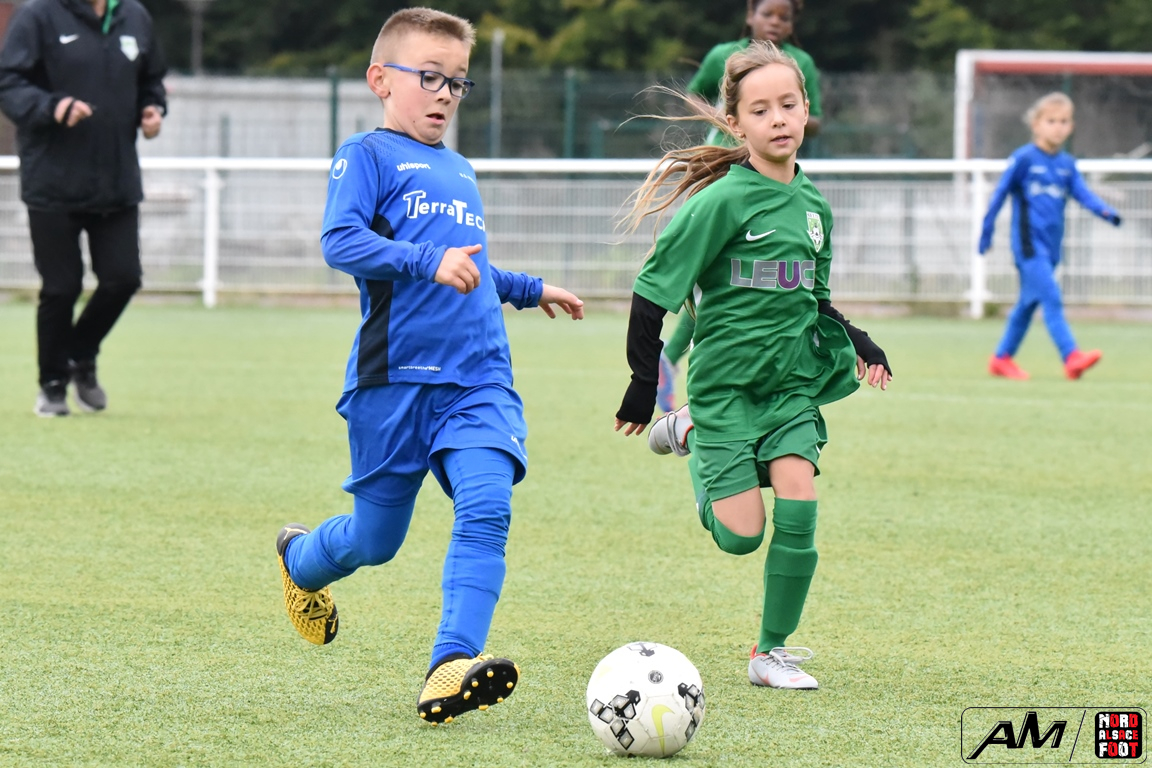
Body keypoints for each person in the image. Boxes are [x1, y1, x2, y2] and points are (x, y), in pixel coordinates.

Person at [274, 8, 584, 725]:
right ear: (381, 79)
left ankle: (450, 663)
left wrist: (528, 288)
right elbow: (340, 241)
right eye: (431, 77)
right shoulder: (366, 155)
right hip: (394, 382)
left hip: (478, 379)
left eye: (458, 82)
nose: (446, 94)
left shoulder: (461, 168)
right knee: (375, 541)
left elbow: (467, 266)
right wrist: (425, 260)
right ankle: (301, 561)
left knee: (487, 506)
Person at [614, 41, 890, 690]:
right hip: (725, 392)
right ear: (736, 125)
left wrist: (862, 342)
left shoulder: (815, 207)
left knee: (800, 497)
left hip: (791, 387)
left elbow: (815, 299)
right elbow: (652, 292)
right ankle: (688, 428)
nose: (778, 119)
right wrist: (641, 384)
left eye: (788, 105)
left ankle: (770, 653)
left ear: (806, 109)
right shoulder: (722, 202)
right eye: (760, 110)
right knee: (741, 536)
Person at [0, 0, 166, 417]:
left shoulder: (134, 16)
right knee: (61, 288)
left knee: (123, 279)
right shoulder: (38, 16)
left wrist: (153, 108)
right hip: (52, 182)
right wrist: (51, 107)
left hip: (116, 180)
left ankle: (79, 353)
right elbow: (8, 82)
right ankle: (52, 384)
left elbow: (151, 80)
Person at [657, 0, 823, 411]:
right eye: (768, 14)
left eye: (784, 17)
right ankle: (676, 361)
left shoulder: (800, 63)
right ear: (750, 15)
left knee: (735, 279)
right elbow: (693, 94)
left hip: (771, 180)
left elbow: (816, 118)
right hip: (726, 174)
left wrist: (786, 112)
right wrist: (722, 117)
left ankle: (672, 357)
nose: (775, 22)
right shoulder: (723, 56)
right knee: (712, 274)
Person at [979, 91, 1121, 381]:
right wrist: (987, 230)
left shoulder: (1067, 165)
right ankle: (1071, 356)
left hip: (1052, 247)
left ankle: (1001, 358)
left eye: (1064, 121)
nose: (1058, 127)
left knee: (1027, 304)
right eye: (1051, 121)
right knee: (1052, 297)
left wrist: (1106, 212)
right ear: (1036, 125)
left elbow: (1083, 194)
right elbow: (1000, 194)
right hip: (1028, 247)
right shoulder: (1024, 159)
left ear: (1071, 126)